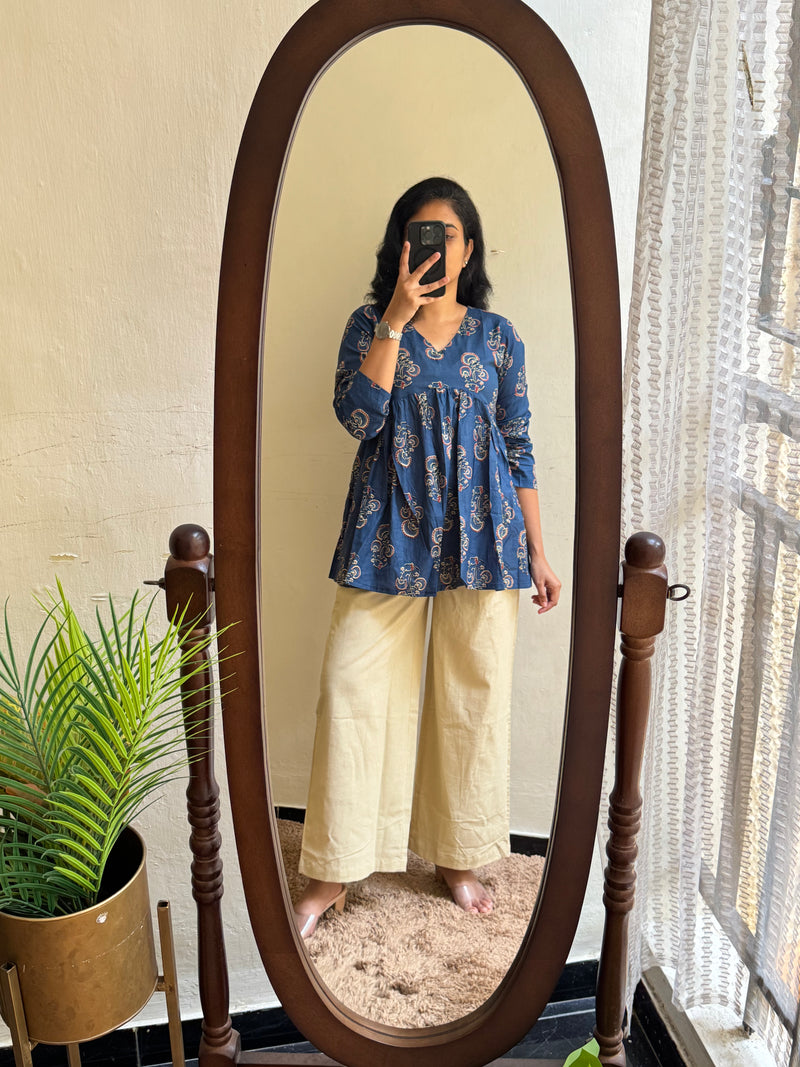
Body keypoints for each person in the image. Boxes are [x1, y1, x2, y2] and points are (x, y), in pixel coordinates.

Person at [294, 177, 561, 938]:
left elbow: (518, 446)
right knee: (352, 686)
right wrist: (396, 319)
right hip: (388, 529)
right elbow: (358, 417)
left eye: (448, 236)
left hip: (484, 533)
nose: (435, 249)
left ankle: (457, 856)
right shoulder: (370, 324)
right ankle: (333, 869)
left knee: (472, 694)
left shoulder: (499, 337)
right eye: (421, 236)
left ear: (468, 250)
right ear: (400, 247)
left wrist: (539, 551)